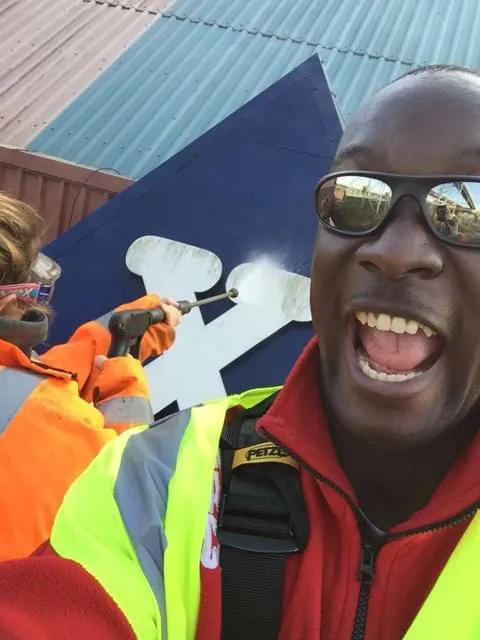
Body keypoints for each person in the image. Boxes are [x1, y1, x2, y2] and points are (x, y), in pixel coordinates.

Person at [1, 64, 480, 640]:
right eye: (357, 196)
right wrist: (120, 361)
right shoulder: (160, 476)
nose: (396, 250)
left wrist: (114, 350)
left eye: (468, 206)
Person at [0, 191, 183, 561]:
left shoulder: (30, 407)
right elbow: (132, 515)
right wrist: (124, 391)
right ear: (8, 300)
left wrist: (110, 337)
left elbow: (18, 390)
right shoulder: (54, 424)